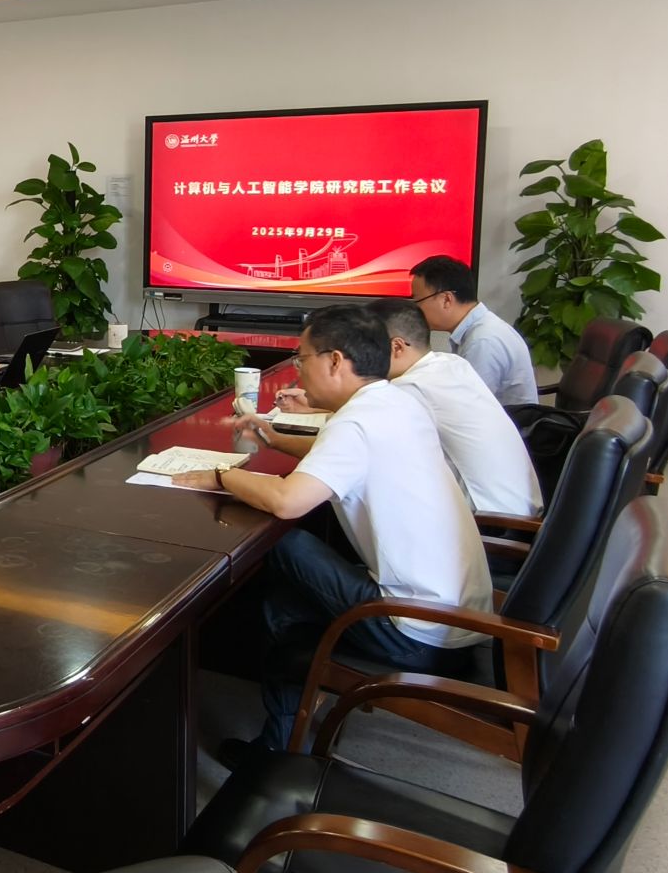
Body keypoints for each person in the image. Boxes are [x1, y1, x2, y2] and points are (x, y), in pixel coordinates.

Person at [171, 305, 493, 751]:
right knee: (287, 600)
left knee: (286, 546)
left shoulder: (358, 422)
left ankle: (278, 737)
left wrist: (220, 477)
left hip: (416, 630)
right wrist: (270, 436)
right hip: (457, 618)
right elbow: (336, 454)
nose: (298, 370)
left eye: (302, 359)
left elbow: (287, 500)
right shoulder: (394, 402)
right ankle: (279, 741)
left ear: (336, 361)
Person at [367, 297, 543, 518]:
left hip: (492, 524)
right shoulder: (452, 364)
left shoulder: (411, 387)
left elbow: (361, 438)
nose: (360, 359)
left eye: (366, 349)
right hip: (519, 511)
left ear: (397, 347)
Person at [409, 255, 539, 406]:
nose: (415, 309)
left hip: (505, 420)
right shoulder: (478, 329)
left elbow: (468, 405)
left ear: (446, 299)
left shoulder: (482, 341)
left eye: (418, 301)